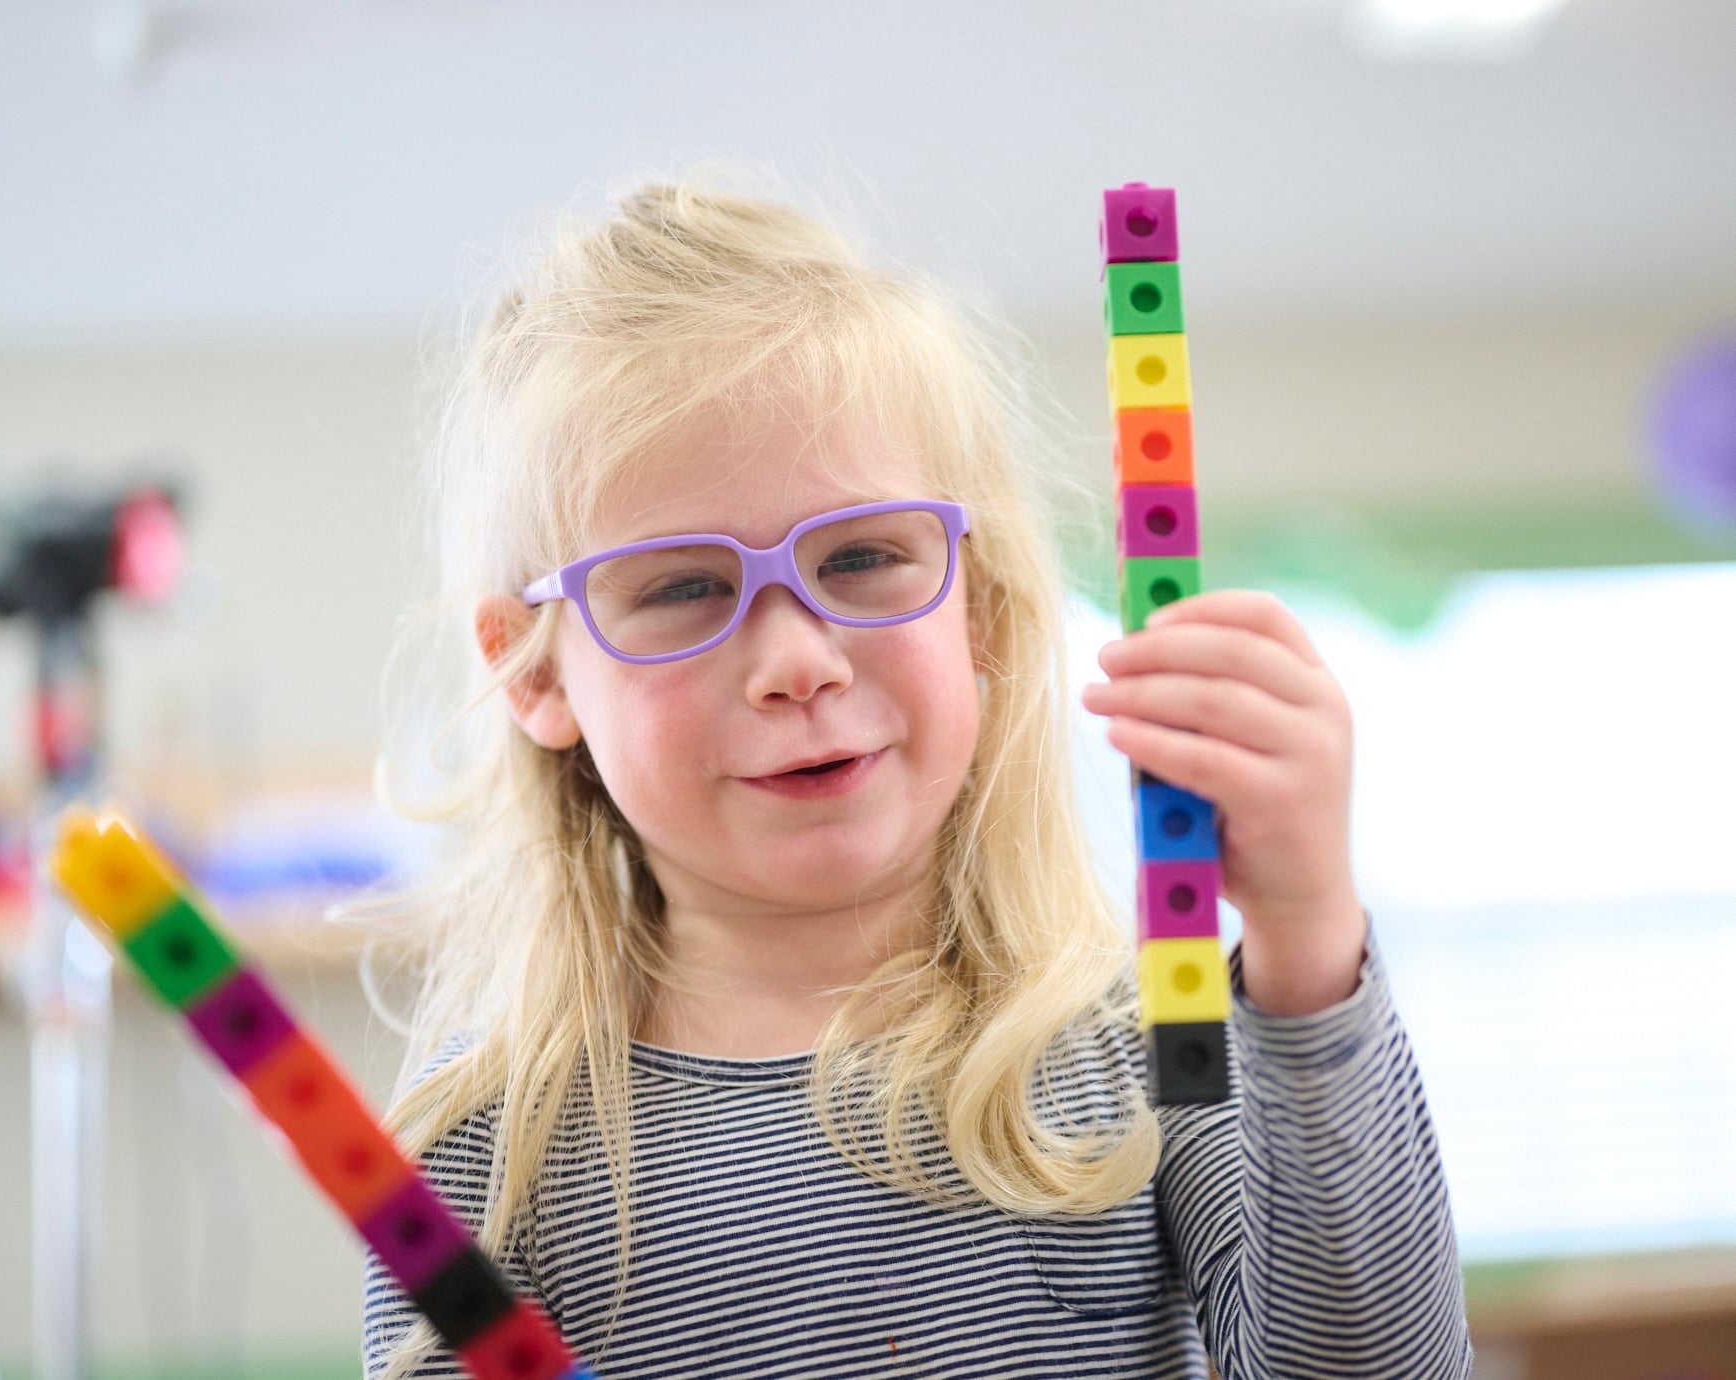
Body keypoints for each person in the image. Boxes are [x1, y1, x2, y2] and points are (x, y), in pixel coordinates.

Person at [361, 180, 1472, 1379]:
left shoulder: (1154, 1030)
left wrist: (1307, 937)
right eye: (682, 587)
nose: (798, 662)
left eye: (863, 557)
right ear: (536, 673)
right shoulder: (488, 1149)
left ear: (977, 609)